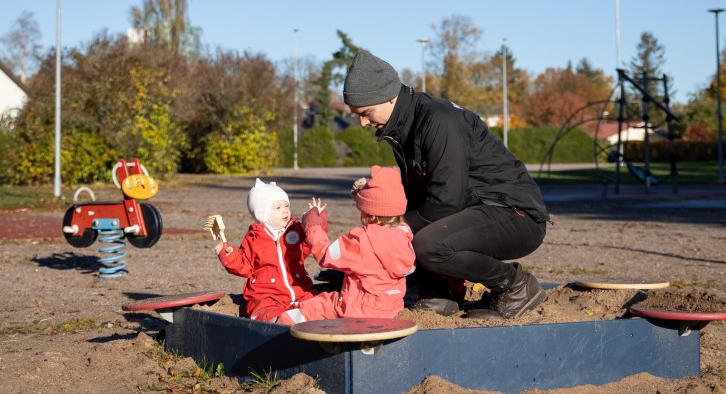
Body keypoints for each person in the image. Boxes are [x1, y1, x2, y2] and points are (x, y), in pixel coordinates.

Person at [341, 49, 551, 319]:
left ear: (389, 96)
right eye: (356, 114)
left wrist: (391, 232)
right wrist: (377, 194)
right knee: (399, 229)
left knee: (426, 244)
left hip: (514, 213)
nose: (362, 122)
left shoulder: (439, 121)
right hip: (474, 209)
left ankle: (515, 285)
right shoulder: (402, 126)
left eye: (366, 112)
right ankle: (438, 294)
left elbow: (444, 202)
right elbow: (419, 195)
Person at [277, 166, 416, 325]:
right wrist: (363, 194)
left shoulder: (362, 241)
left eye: (362, 209)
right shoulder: (404, 235)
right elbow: (383, 203)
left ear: (369, 213)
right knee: (328, 298)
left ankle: (279, 332)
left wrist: (312, 227)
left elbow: (326, 255)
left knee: (316, 306)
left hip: (357, 312)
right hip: (389, 311)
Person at [213, 178, 318, 322]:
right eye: (278, 208)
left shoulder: (295, 230)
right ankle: (277, 321)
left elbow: (308, 243)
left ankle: (302, 317)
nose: (285, 211)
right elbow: (245, 265)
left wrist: (315, 223)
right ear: (262, 212)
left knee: (318, 302)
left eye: (286, 206)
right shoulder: (255, 238)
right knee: (264, 310)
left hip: (299, 290)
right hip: (267, 294)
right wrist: (230, 256)